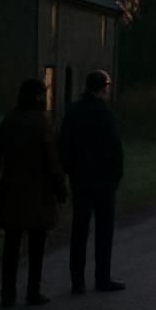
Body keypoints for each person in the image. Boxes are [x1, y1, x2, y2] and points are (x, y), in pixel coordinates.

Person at [0, 79, 68, 306]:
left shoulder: (10, 119)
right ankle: (32, 291)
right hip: (38, 191)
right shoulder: (40, 123)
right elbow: (51, 160)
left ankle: (8, 294)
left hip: (12, 189)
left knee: (11, 245)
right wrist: (60, 188)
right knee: (36, 245)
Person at [60, 70, 125, 293]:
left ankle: (77, 281)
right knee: (103, 231)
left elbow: (65, 145)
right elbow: (116, 148)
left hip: (80, 179)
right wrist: (117, 174)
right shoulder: (105, 113)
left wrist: (70, 171)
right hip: (104, 181)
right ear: (103, 88)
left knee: (79, 230)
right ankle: (102, 278)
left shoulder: (73, 111)